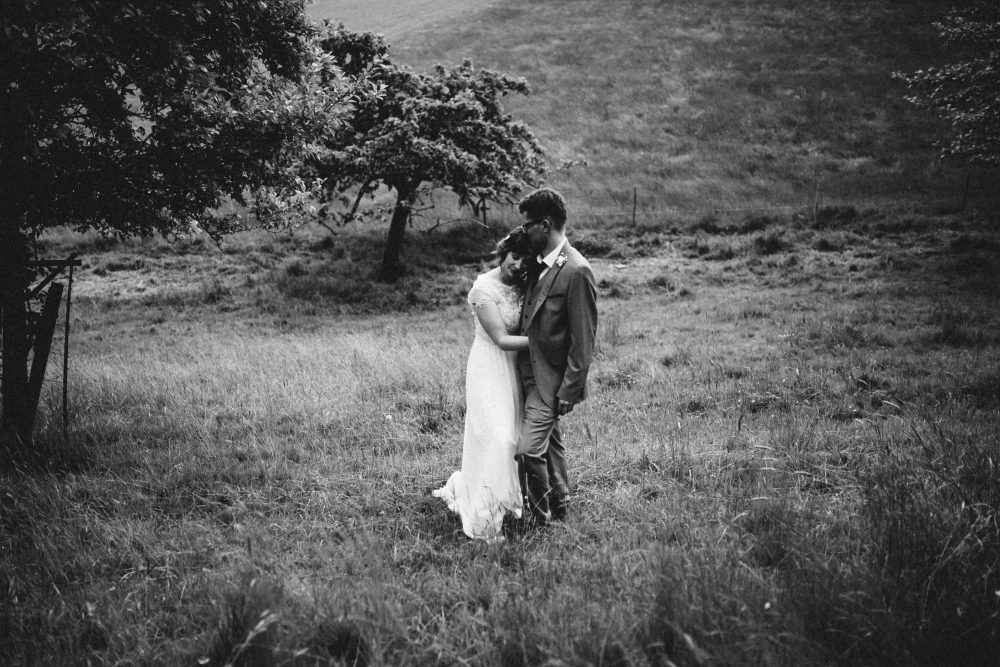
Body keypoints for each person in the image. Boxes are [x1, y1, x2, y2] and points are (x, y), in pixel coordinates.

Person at [432, 230, 539, 540]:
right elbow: (502, 339)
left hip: (514, 369)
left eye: (525, 261)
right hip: (489, 367)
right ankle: (484, 518)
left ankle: (495, 497)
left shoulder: (523, 285)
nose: (518, 265)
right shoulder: (482, 289)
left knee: (513, 439)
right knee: (499, 439)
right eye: (515, 257)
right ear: (504, 253)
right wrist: (546, 343)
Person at [515, 187, 598, 527]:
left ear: (545, 225)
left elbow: (583, 339)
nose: (524, 232)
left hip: (551, 381)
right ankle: (562, 503)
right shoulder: (539, 265)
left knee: (528, 450)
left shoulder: (577, 270)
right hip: (526, 375)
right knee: (550, 444)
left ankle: (542, 518)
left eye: (527, 225)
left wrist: (569, 389)